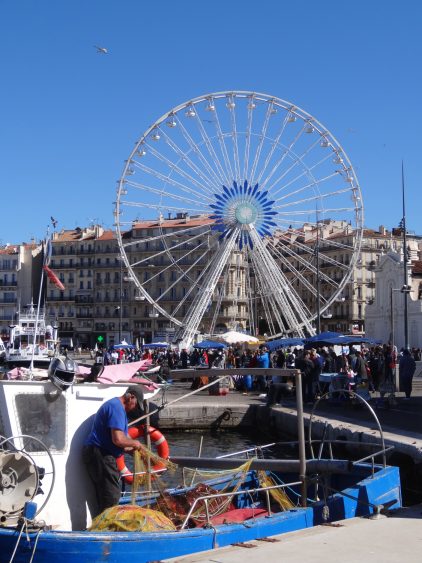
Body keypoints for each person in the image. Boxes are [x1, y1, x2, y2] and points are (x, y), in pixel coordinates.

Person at [83, 386, 145, 518]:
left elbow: (121, 442)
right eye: (136, 404)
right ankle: (106, 531)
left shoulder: (117, 408)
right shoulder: (117, 408)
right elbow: (118, 439)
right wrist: (136, 443)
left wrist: (135, 450)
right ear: (130, 397)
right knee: (112, 495)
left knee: (106, 494)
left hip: (99, 453)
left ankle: (101, 526)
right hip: (100, 454)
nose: (135, 408)